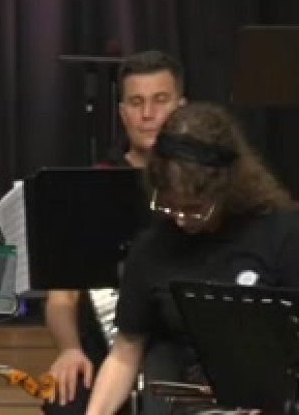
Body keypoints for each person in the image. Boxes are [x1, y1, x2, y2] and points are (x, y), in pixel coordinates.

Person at [84, 102, 299, 415]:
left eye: (195, 208)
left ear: (226, 189)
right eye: (171, 206)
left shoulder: (279, 233)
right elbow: (124, 354)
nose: (181, 219)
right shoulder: (151, 249)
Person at [44, 50, 186, 413]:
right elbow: (61, 299)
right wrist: (69, 349)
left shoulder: (204, 189)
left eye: (160, 100)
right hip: (103, 351)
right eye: (136, 103)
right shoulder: (91, 189)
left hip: (182, 356)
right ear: (122, 113)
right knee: (63, 402)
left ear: (182, 107)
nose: (148, 114)